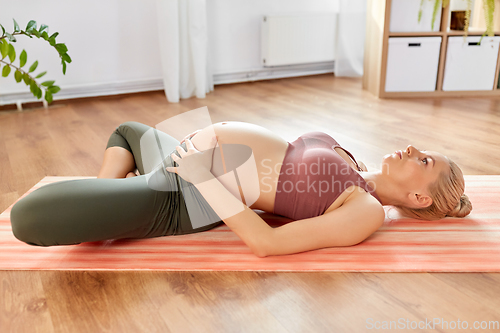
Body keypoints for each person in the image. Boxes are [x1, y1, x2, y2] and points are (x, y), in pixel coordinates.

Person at [10, 120, 472, 257]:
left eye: (425, 160)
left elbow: (266, 242)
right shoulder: (356, 168)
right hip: (183, 161)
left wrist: (202, 175)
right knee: (129, 131)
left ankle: (111, 207)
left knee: (25, 217)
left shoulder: (365, 210)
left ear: (420, 199)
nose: (413, 148)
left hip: (183, 194)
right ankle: (104, 206)